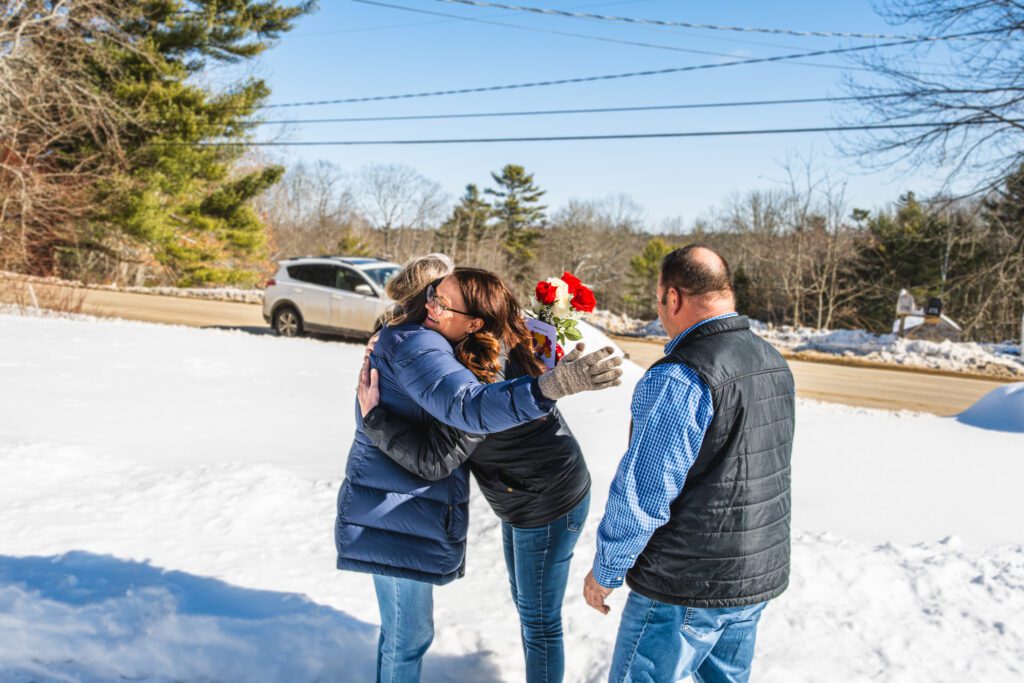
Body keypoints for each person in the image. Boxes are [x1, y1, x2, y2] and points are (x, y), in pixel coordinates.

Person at [336, 260, 623, 683]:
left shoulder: (480, 368)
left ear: (473, 323)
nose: (432, 308)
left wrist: (376, 418)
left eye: (442, 302)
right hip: (516, 493)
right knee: (522, 612)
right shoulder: (449, 344)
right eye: (430, 297)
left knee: (538, 620)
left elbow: (456, 428)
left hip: (546, 498)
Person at [582, 245, 795, 683]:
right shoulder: (771, 360)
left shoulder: (681, 376)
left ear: (673, 298)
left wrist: (606, 569)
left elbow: (644, 492)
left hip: (684, 584)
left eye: (658, 300)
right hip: (754, 575)